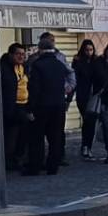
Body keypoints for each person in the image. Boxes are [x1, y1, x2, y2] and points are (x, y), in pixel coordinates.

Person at [23, 32, 76, 175]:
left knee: (37, 137)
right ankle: (53, 166)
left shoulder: (37, 65)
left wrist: (30, 108)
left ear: (40, 50)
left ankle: (35, 166)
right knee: (55, 137)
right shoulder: (60, 64)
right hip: (59, 105)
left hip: (42, 106)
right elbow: (69, 79)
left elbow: (34, 89)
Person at [0, 42, 33, 175]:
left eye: (23, 54)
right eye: (18, 54)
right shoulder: (2, 68)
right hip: (10, 107)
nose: (21, 56)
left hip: (24, 105)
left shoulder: (24, 67)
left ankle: (18, 158)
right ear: (11, 54)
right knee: (11, 136)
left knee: (23, 134)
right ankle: (9, 160)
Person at [71, 37, 100, 161]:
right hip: (82, 96)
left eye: (91, 49)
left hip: (93, 96)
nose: (89, 52)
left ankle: (88, 146)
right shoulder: (78, 62)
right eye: (87, 50)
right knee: (87, 120)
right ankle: (85, 146)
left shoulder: (97, 62)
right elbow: (75, 79)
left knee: (91, 122)